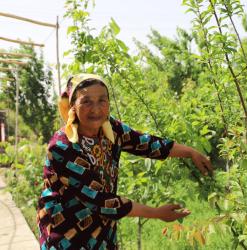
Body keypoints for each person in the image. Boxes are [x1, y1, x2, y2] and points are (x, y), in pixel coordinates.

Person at [36, 73, 213, 249]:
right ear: (73, 105)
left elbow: (145, 143)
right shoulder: (62, 147)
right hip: (67, 236)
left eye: (102, 100)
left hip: (102, 234)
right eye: (86, 101)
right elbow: (102, 202)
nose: (96, 109)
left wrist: (190, 152)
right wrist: (156, 213)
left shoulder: (109, 129)